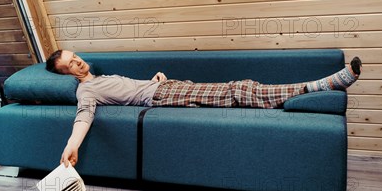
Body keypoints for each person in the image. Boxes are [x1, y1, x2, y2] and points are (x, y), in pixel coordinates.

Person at [46, 50, 362, 168]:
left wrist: (153, 78)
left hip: (165, 87)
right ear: (65, 74)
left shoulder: (99, 76)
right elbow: (84, 116)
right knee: (237, 90)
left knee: (236, 92)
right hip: (163, 97)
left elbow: (129, 88)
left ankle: (304, 91)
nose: (77, 61)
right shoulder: (86, 91)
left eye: (75, 56)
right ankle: (320, 86)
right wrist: (71, 146)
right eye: (70, 63)